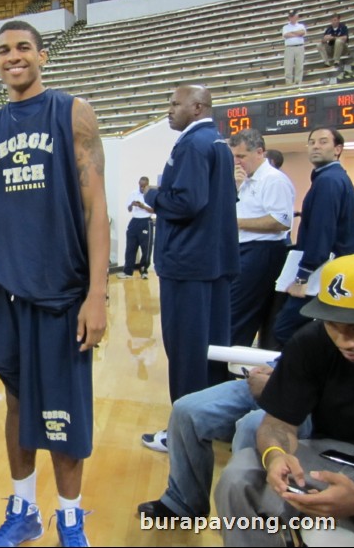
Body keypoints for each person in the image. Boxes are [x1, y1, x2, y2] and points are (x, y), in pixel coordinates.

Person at [0, 20, 109, 547]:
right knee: (16, 402)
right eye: (4, 50)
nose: (14, 57)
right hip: (6, 287)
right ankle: (23, 510)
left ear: (43, 56)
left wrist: (97, 293)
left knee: (63, 410)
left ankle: (70, 518)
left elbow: (97, 208)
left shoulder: (72, 112)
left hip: (63, 289)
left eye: (23, 47)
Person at [214, 254, 354, 547]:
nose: (345, 340)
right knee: (241, 477)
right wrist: (276, 455)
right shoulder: (311, 342)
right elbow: (277, 423)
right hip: (334, 453)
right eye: (334, 324)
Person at [140, 85, 238, 452]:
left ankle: (183, 437)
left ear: (197, 108)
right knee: (211, 351)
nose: (169, 109)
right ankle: (210, 426)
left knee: (185, 352)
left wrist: (153, 195)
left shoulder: (193, 145)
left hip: (188, 265)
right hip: (212, 262)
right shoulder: (217, 143)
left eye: (174, 103)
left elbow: (187, 202)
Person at [273, 127, 354, 347]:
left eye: (323, 142)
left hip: (325, 273)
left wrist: (302, 278)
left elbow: (322, 232)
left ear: (338, 149)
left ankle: (306, 376)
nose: (316, 146)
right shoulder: (331, 178)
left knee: (285, 329)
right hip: (332, 271)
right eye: (312, 142)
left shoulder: (328, 181)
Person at [229, 128, 294, 348]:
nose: (237, 162)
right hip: (244, 251)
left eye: (241, 156)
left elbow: (281, 221)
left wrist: (236, 223)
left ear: (259, 152)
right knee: (235, 312)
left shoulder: (274, 180)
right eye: (234, 156)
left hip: (262, 252)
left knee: (238, 314)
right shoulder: (245, 180)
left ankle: (230, 366)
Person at [116, 176, 154, 280]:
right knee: (130, 247)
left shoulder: (151, 195)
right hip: (134, 221)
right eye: (140, 186)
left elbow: (154, 210)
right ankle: (128, 271)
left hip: (146, 221)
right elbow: (128, 209)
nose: (142, 188)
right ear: (138, 184)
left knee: (146, 248)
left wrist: (143, 207)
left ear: (147, 184)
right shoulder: (133, 193)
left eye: (144, 186)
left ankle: (144, 270)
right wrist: (132, 205)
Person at [282, 9, 306, 86]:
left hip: (299, 47)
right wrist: (297, 33)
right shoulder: (285, 27)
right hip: (289, 48)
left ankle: (298, 82)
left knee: (299, 65)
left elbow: (302, 32)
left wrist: (292, 33)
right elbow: (286, 35)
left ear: (296, 16)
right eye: (290, 16)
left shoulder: (301, 26)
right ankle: (288, 83)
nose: (292, 18)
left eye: (293, 16)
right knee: (288, 66)